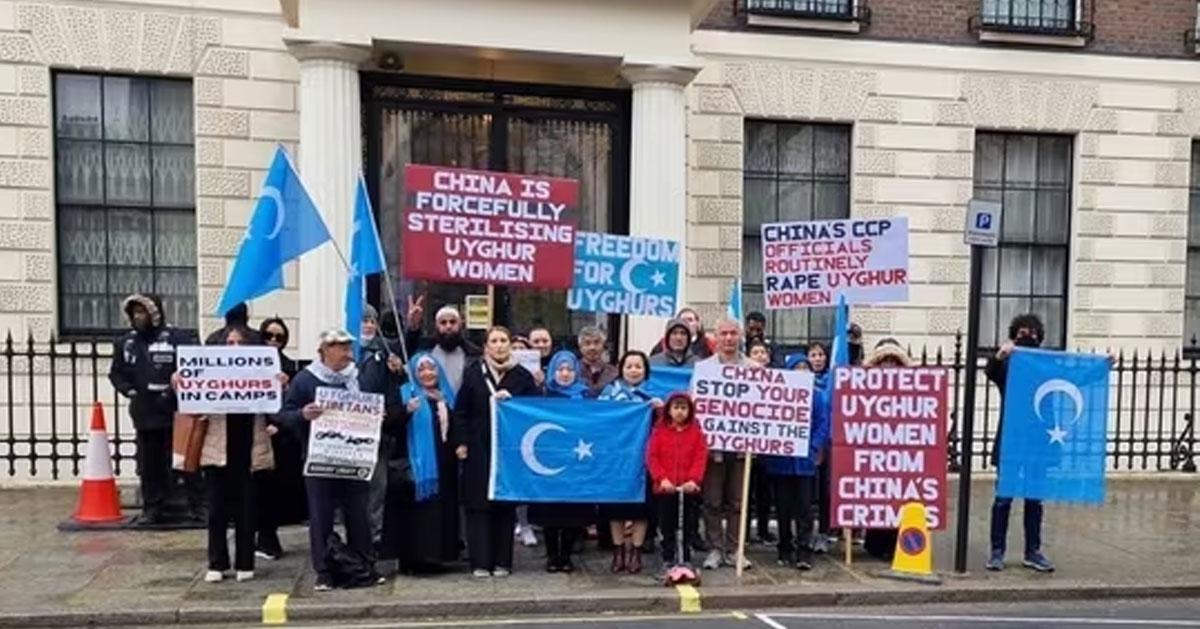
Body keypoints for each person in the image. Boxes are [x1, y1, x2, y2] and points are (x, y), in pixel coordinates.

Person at [279, 328, 383, 592]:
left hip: (354, 458)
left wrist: (375, 418)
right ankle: (324, 571)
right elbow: (284, 414)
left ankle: (365, 564)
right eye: (340, 346)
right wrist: (302, 414)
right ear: (325, 351)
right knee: (321, 516)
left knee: (358, 515)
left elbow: (377, 404)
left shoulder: (359, 377)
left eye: (348, 346)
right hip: (320, 459)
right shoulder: (305, 379)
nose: (347, 351)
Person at [189, 326, 279, 583]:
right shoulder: (208, 373)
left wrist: (280, 384)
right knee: (216, 510)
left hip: (249, 450)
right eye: (230, 343)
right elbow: (188, 406)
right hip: (217, 450)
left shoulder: (262, 373)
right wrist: (180, 384)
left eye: (240, 343)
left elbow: (279, 409)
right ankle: (217, 563)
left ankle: (245, 563)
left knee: (247, 509)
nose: (235, 348)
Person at [454, 326, 539, 578]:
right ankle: (480, 562)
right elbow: (461, 412)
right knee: (478, 505)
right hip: (479, 448)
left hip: (509, 451)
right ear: (486, 346)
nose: (500, 345)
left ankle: (503, 561)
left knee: (504, 505)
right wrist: (461, 443)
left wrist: (513, 402)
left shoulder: (522, 376)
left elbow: (534, 412)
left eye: (504, 340)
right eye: (494, 341)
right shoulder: (473, 374)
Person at [108, 293, 199, 526]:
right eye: (134, 313)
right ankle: (153, 507)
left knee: (184, 461)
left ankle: (195, 506)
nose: (138, 317)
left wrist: (176, 388)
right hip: (145, 413)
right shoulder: (126, 343)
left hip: (175, 410)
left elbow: (193, 364)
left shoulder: (176, 338)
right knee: (149, 465)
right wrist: (130, 391)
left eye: (142, 312)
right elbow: (116, 372)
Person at [985, 314, 1056, 573]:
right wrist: (1000, 356)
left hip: (1037, 443)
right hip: (1011, 442)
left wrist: (1102, 366)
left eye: (1032, 333)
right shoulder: (1008, 367)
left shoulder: (1046, 368)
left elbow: (1074, 378)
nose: (1027, 337)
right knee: (1003, 498)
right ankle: (996, 551)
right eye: (1022, 333)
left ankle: (1033, 551)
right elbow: (990, 371)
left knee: (1034, 499)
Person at [384, 353, 460, 574]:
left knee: (439, 511)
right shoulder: (405, 393)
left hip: (443, 464)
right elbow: (388, 423)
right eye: (422, 370)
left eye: (432, 369)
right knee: (415, 514)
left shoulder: (446, 395)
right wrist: (406, 411)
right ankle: (413, 559)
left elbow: (457, 425)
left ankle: (438, 556)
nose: (428, 373)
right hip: (415, 465)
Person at [764, 355, 831, 572]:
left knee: (804, 508)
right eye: (797, 367)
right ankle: (784, 547)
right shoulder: (777, 397)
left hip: (804, 464)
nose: (802, 371)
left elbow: (822, 424)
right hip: (781, 463)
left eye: (806, 367)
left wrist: (812, 448)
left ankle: (804, 549)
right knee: (783, 508)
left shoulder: (816, 396)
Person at [699, 319, 756, 571]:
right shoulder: (704, 368)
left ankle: (735, 549)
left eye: (734, 333)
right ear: (716, 337)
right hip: (714, 448)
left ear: (740, 336)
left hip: (743, 447)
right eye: (724, 333)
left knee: (738, 501)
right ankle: (714, 548)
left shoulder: (755, 369)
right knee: (712, 500)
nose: (729, 338)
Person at [598, 350, 661, 574]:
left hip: (644, 461)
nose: (634, 370)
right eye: (629, 366)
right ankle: (618, 551)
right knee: (617, 507)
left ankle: (636, 552)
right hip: (616, 461)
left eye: (638, 366)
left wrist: (659, 410)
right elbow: (599, 420)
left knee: (641, 509)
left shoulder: (654, 395)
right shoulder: (609, 393)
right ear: (621, 369)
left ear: (645, 370)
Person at [533, 350, 594, 572]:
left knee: (571, 513)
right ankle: (552, 556)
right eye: (560, 369)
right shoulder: (543, 394)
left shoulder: (586, 396)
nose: (565, 374)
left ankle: (566, 556)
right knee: (551, 514)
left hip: (576, 460)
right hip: (549, 460)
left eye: (569, 369)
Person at [357, 304, 407, 547]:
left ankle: (374, 540)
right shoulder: (342, 352)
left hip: (379, 434)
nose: (368, 325)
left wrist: (398, 373)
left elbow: (401, 385)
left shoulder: (386, 352)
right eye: (363, 320)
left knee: (377, 488)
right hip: (346, 434)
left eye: (371, 320)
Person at [859, 338, 914, 562]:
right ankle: (874, 542)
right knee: (876, 497)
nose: (889, 366)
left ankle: (895, 543)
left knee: (898, 498)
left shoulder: (912, 387)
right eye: (884, 360)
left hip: (901, 451)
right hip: (874, 450)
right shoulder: (863, 384)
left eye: (894, 361)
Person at [257, 316, 304, 558]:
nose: (274, 341)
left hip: (281, 439)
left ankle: (268, 539)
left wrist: (287, 387)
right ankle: (262, 538)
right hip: (257, 435)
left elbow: (294, 407)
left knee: (274, 492)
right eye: (269, 336)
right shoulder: (252, 364)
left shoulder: (290, 367)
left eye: (279, 337)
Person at [646, 392, 707, 574]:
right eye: (676, 408)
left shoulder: (696, 433)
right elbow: (652, 457)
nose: (679, 412)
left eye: (683, 408)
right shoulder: (659, 432)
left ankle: (686, 558)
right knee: (667, 525)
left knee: (688, 524)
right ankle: (668, 557)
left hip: (688, 488)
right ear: (669, 410)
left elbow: (700, 457)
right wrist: (662, 478)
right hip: (666, 489)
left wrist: (693, 480)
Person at [405, 296, 480, 394]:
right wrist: (413, 327)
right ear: (436, 326)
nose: (448, 326)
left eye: (452, 322)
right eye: (443, 323)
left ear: (460, 325)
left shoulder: (473, 354)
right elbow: (406, 353)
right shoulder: (425, 349)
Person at [745, 337, 777, 547]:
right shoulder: (742, 378)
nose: (759, 356)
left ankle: (764, 530)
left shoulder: (777, 379)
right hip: (746, 445)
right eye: (755, 352)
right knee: (745, 494)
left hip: (768, 446)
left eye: (762, 352)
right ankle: (744, 533)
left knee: (765, 493)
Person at [807, 340, 835, 553]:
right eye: (813, 355)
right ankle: (807, 533)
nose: (817, 359)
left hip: (830, 442)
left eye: (820, 355)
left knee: (825, 491)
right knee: (807, 493)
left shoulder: (833, 381)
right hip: (807, 445)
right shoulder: (802, 382)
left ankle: (824, 533)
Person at [577, 326, 618, 398]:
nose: (592, 347)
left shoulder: (614, 373)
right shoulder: (573, 371)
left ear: (603, 346)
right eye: (587, 343)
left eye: (596, 343)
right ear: (580, 347)